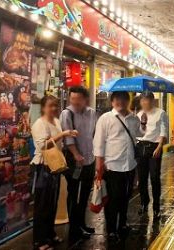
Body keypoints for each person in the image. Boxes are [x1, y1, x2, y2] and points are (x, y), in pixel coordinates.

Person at [93, 91, 144, 241]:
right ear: (112, 102)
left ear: (128, 101)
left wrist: (144, 123)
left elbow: (139, 134)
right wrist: (99, 164)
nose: (120, 102)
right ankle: (111, 229)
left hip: (130, 164)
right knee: (113, 199)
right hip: (112, 165)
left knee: (126, 197)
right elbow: (98, 142)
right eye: (117, 99)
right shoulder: (106, 118)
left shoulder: (134, 118)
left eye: (123, 99)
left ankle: (122, 224)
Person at [31, 95, 78, 250]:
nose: (54, 109)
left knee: (52, 203)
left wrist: (67, 136)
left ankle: (49, 234)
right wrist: (63, 134)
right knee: (42, 205)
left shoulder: (56, 121)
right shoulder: (39, 123)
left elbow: (58, 143)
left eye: (56, 105)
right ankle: (39, 240)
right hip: (43, 166)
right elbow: (42, 146)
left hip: (55, 166)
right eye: (51, 106)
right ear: (43, 107)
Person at [60, 86, 98, 240]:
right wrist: (76, 155)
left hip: (90, 160)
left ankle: (82, 224)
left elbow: (93, 134)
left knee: (84, 195)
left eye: (78, 99)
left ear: (85, 99)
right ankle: (74, 228)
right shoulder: (67, 113)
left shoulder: (92, 113)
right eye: (72, 98)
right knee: (73, 194)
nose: (75, 102)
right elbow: (68, 137)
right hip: (75, 162)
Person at [136, 92, 168, 218]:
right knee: (142, 178)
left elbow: (163, 130)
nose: (144, 102)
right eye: (142, 100)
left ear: (152, 101)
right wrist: (141, 123)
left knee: (155, 177)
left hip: (154, 147)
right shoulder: (138, 114)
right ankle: (144, 202)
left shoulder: (161, 113)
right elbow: (138, 133)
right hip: (141, 147)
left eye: (147, 100)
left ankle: (156, 207)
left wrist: (160, 146)